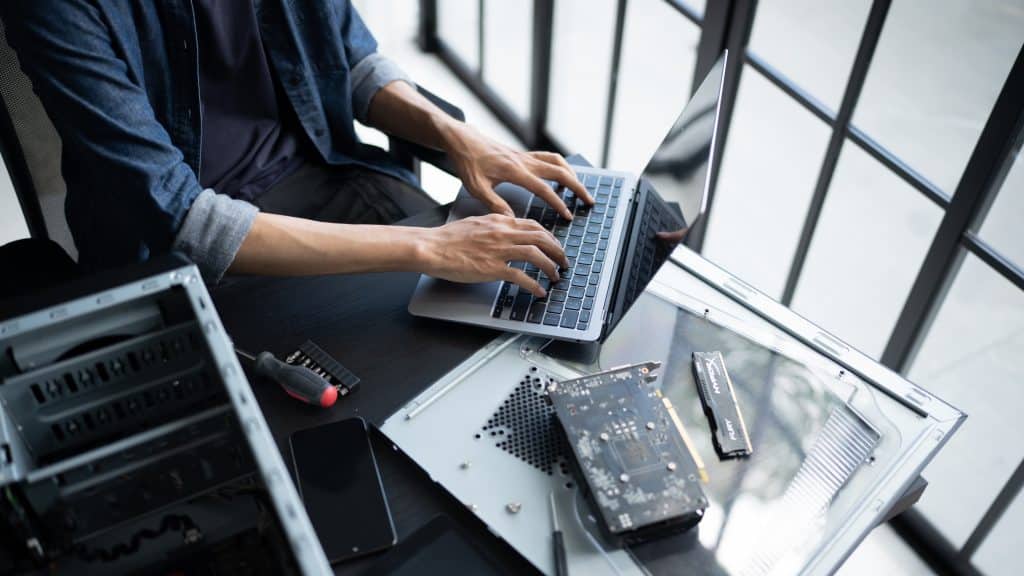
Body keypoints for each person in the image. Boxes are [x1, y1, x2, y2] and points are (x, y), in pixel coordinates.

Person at [1, 0, 592, 298]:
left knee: (531, 286)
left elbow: (350, 59)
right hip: (188, 267)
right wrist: (428, 246)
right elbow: (184, 219)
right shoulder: (52, 8)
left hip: (327, 172)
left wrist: (459, 138)